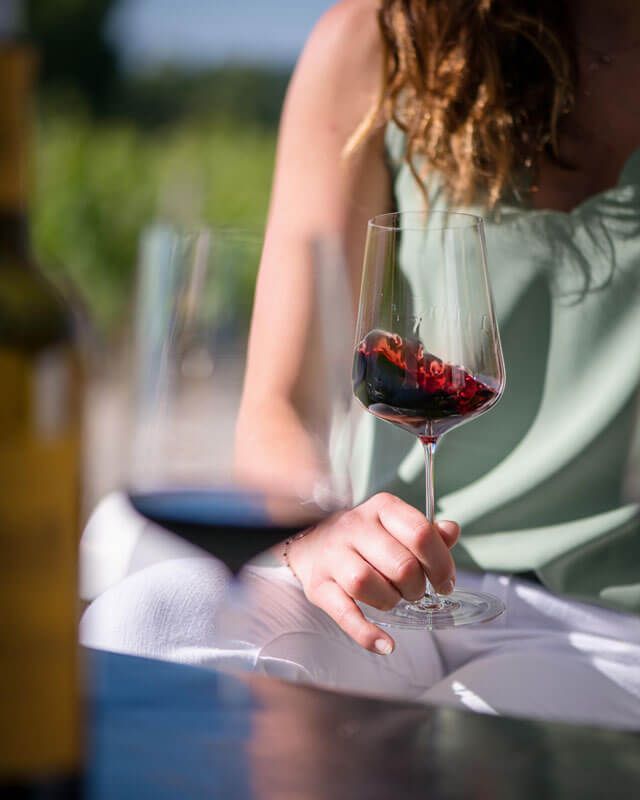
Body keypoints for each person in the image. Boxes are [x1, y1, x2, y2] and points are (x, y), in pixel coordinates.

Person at [82, 0, 640, 729]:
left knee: (468, 745)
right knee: (148, 620)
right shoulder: (380, 40)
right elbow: (281, 404)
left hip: (608, 627)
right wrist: (319, 530)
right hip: (391, 584)